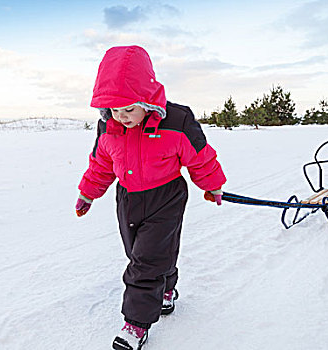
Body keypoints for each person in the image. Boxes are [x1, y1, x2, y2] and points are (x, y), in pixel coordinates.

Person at [76, 45, 226, 350]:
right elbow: (102, 163)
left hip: (166, 198)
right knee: (141, 253)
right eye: (114, 109)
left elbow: (200, 158)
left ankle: (135, 323)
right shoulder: (108, 125)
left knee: (145, 262)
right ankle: (166, 288)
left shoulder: (176, 120)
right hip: (128, 199)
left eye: (129, 108)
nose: (122, 116)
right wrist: (88, 193)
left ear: (147, 98)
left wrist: (212, 185)